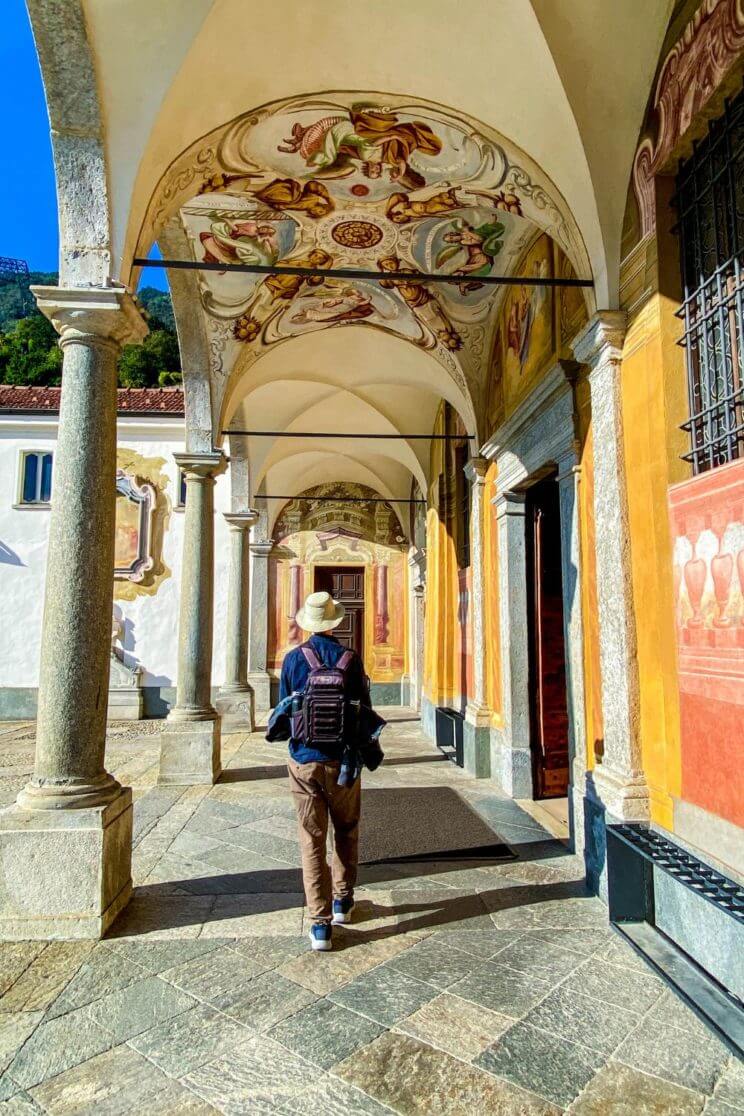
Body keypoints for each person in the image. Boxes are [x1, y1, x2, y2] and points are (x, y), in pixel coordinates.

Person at [276, 591, 374, 952]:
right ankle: (343, 902)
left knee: (311, 839)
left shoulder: (292, 660)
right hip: (344, 760)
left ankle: (320, 926)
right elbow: (364, 710)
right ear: (336, 623)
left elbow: (284, 712)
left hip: (304, 761)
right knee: (346, 830)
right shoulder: (351, 659)